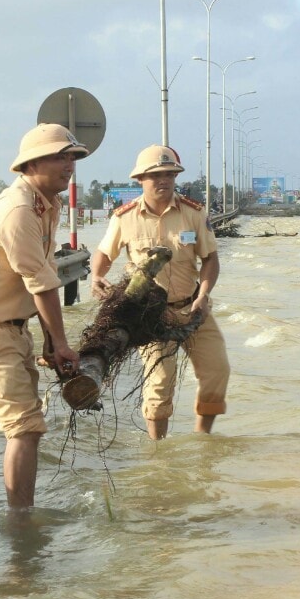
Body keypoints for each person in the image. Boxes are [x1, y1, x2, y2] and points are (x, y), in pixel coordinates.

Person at [0, 123, 86, 509]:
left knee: (30, 426)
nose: (69, 165)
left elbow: (41, 273)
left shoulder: (47, 204)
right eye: (60, 157)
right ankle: (21, 525)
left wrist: (47, 339)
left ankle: (22, 514)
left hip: (13, 328)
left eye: (72, 157)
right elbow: (42, 282)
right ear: (31, 164)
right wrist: (61, 343)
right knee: (24, 427)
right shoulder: (18, 211)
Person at [89, 144, 229, 440]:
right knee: (159, 386)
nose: (163, 180)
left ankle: (203, 440)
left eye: (169, 174)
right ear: (140, 179)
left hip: (193, 308)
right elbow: (103, 254)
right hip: (150, 317)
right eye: (155, 175)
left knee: (217, 372)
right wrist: (97, 277)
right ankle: (158, 450)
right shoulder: (124, 217)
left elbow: (210, 259)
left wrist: (203, 295)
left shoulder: (193, 212)